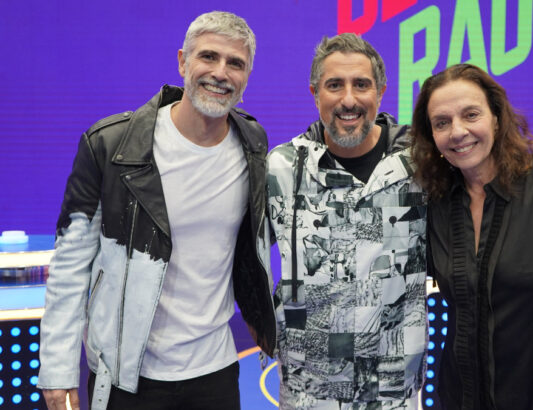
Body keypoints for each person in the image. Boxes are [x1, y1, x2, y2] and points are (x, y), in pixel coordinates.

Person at [37, 11, 276, 410]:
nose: (220, 73)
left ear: (247, 76)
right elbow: (70, 264)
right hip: (125, 378)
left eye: (235, 63)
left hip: (215, 372)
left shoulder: (253, 144)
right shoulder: (110, 145)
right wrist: (57, 369)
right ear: (182, 61)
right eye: (208, 57)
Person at [410, 63, 533, 410]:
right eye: (441, 123)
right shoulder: (438, 205)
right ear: (432, 137)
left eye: (470, 114)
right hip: (459, 400)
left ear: (497, 117)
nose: (457, 131)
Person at [266, 33, 428, 409]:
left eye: (362, 85)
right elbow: (243, 254)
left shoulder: (421, 164)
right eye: (334, 85)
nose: (349, 100)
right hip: (307, 390)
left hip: (394, 391)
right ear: (315, 93)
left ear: (382, 92)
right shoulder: (281, 168)